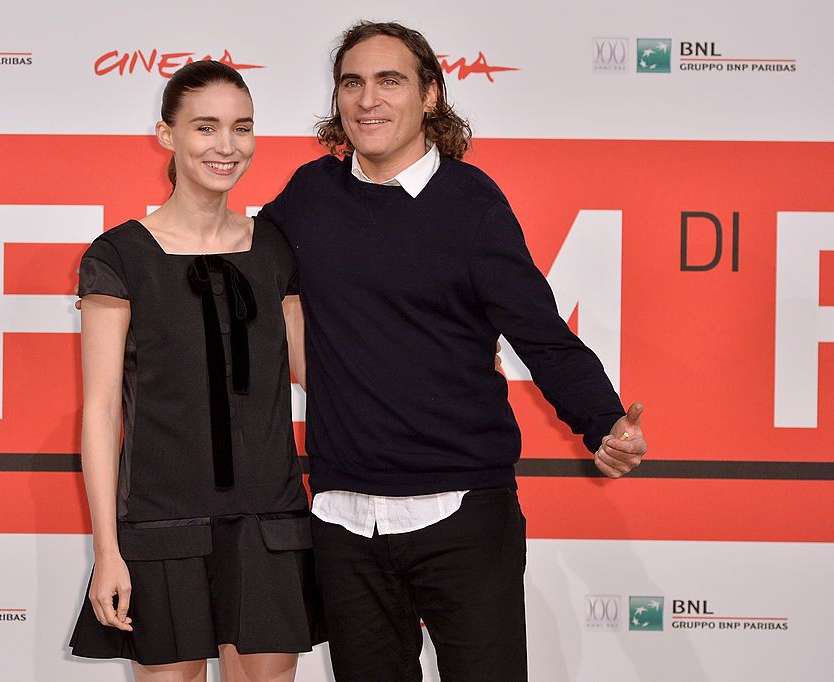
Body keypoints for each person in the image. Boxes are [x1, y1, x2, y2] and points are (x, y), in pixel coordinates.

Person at [257, 21, 648, 681]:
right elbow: (237, 270)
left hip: (462, 515)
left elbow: (539, 332)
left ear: (430, 96)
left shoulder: (471, 205)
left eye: (390, 81)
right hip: (343, 517)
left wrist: (604, 421)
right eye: (351, 83)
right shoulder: (307, 196)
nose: (367, 100)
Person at [68, 60, 322, 682]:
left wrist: (442, 359)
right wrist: (107, 551)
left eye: (243, 127)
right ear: (167, 136)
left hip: (269, 515)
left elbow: (318, 374)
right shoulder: (119, 255)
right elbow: (101, 411)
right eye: (206, 128)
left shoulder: (275, 248)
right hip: (160, 519)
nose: (227, 146)